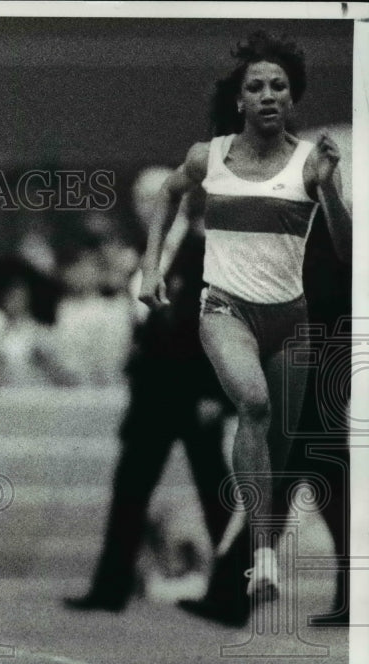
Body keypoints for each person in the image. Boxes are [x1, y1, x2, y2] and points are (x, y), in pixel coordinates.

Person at [138, 32, 351, 619]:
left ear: (292, 98)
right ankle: (261, 559)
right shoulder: (210, 156)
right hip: (225, 309)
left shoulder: (312, 163)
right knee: (253, 405)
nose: (266, 95)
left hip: (293, 319)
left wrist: (329, 187)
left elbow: (348, 249)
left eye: (278, 86)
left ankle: (255, 555)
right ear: (239, 99)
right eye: (254, 86)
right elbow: (168, 193)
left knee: (280, 451)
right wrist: (148, 266)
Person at [64, 171, 234, 613]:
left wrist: (214, 391)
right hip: (153, 389)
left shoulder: (198, 248)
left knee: (214, 491)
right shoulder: (149, 250)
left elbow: (211, 324)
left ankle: (236, 586)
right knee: (131, 488)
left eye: (154, 197)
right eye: (139, 198)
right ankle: (111, 587)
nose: (145, 205)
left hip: (191, 388)